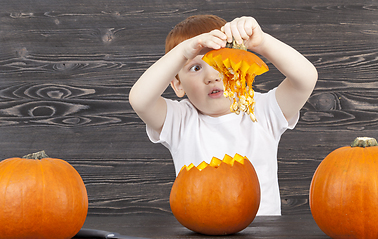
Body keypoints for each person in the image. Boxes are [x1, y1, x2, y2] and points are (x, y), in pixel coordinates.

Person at [129, 15, 318, 215]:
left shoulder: (263, 109)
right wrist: (182, 52)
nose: (212, 76)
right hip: (199, 231)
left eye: (221, 62)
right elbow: (139, 100)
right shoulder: (180, 121)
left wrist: (262, 42)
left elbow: (306, 78)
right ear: (177, 84)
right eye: (195, 67)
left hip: (263, 232)